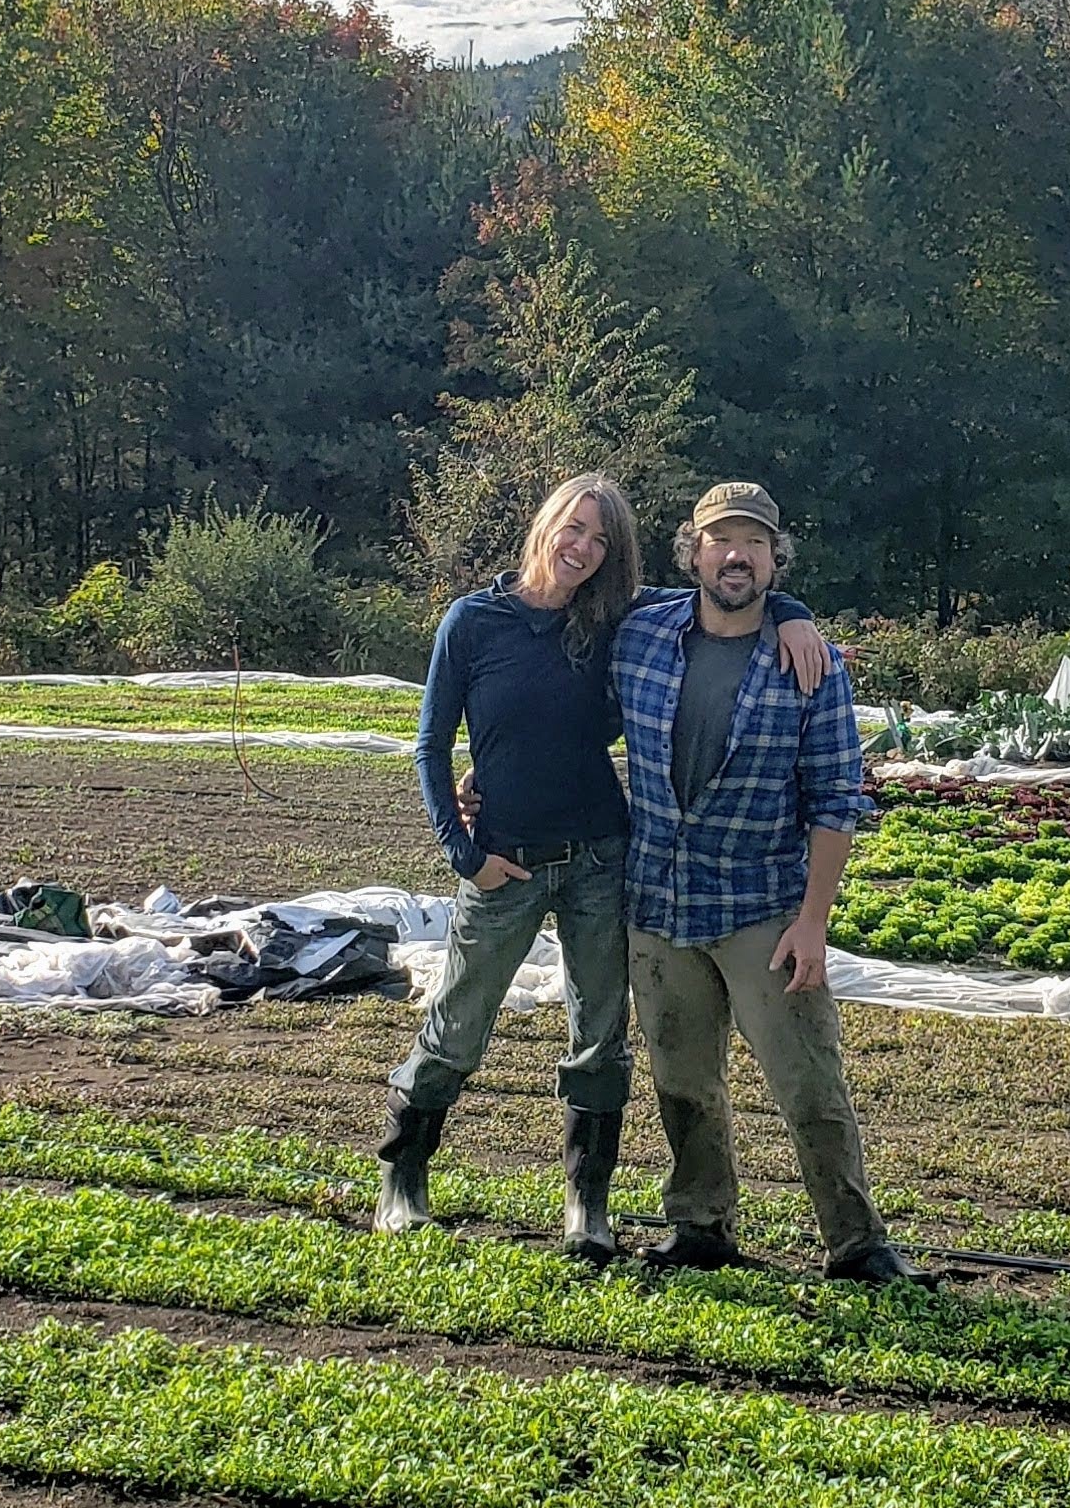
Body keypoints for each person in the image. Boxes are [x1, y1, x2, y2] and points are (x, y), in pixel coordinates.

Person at [384, 472, 828, 1256]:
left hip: (599, 857)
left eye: (602, 540)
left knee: (600, 1034)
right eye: (575, 528)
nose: (584, 548)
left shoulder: (614, 620)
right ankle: (402, 1182)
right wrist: (464, 851)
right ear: (546, 522)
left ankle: (586, 1207)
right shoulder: (474, 622)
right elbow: (428, 745)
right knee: (460, 1020)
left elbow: (727, 588)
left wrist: (791, 611)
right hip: (503, 863)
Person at [614, 480, 901, 1282]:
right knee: (681, 1079)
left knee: (808, 1081)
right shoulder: (642, 635)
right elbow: (555, 675)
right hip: (659, 901)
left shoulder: (809, 661)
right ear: (693, 550)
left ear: (777, 558)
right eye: (720, 541)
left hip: (763, 907)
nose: (736, 556)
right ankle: (702, 1225)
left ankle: (856, 1242)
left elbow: (837, 798)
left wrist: (813, 921)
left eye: (755, 544)